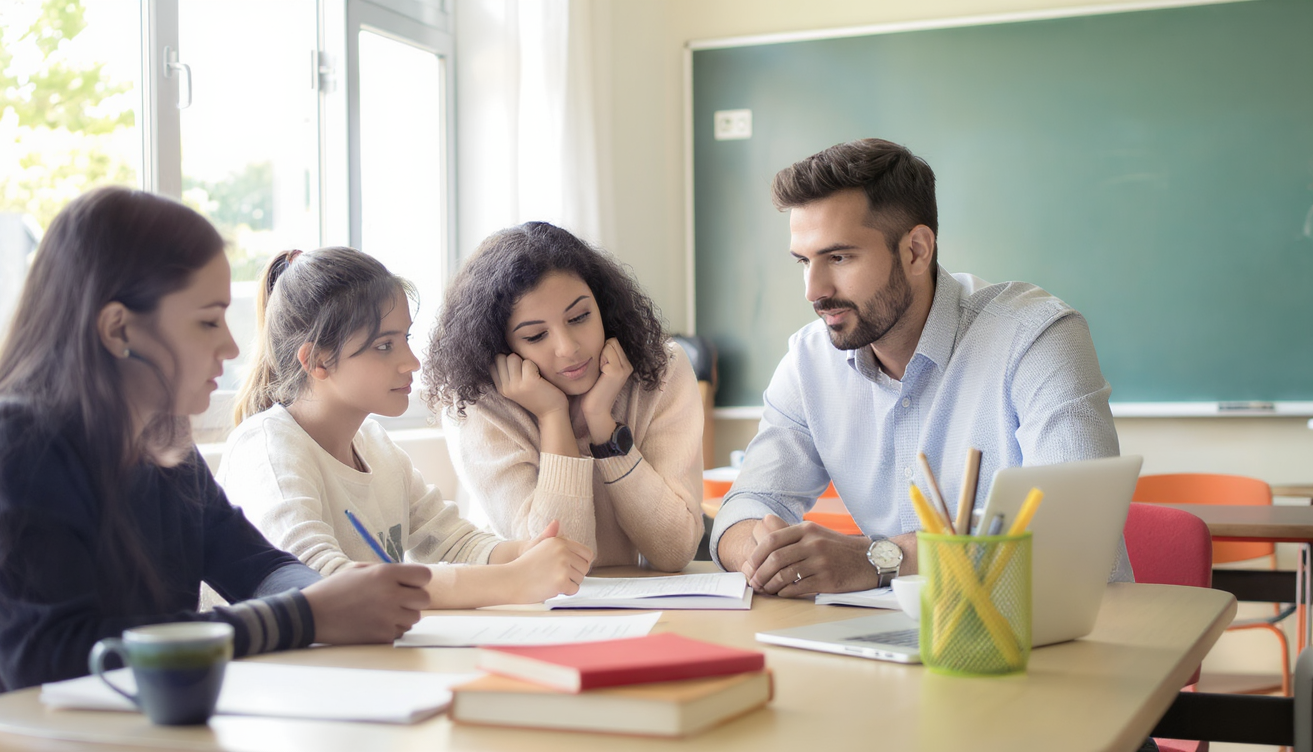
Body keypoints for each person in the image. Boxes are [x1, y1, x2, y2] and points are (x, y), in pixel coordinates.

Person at [0, 188, 430, 752]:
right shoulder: (11, 445)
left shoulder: (164, 444)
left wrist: (333, 595)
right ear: (119, 330)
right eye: (208, 322)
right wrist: (307, 615)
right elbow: (58, 661)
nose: (233, 346)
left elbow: (257, 566)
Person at [712, 138, 1133, 596]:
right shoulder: (808, 362)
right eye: (803, 262)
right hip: (885, 643)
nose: (814, 291)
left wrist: (878, 559)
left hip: (1057, 638)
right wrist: (767, 554)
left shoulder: (1036, 337)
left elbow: (1072, 532)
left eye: (839, 257)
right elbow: (745, 508)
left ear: (916, 250)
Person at [218, 247, 592, 608]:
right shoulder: (267, 450)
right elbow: (319, 584)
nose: (411, 362)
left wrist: (524, 553)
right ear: (317, 360)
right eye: (384, 346)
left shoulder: (374, 446)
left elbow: (456, 543)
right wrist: (512, 580)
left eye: (406, 338)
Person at [423, 222, 704, 571]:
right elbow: (557, 559)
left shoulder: (660, 368)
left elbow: (675, 549)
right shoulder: (476, 402)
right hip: (524, 612)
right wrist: (553, 416)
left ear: (604, 305)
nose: (568, 348)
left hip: (635, 605)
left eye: (580, 316)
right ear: (501, 345)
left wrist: (604, 429)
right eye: (536, 335)